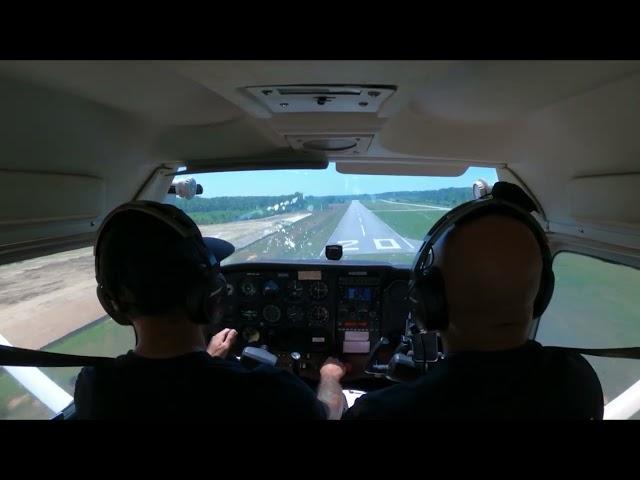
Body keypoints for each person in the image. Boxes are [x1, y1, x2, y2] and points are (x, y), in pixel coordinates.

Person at [344, 183, 604, 420]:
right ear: (542, 292)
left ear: (430, 303)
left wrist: (330, 380)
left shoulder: (381, 412)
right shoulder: (577, 379)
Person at [74, 200, 345, 420]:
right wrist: (329, 376)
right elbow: (329, 414)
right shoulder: (268, 391)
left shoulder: (94, 386)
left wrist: (206, 360)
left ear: (112, 305)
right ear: (212, 295)